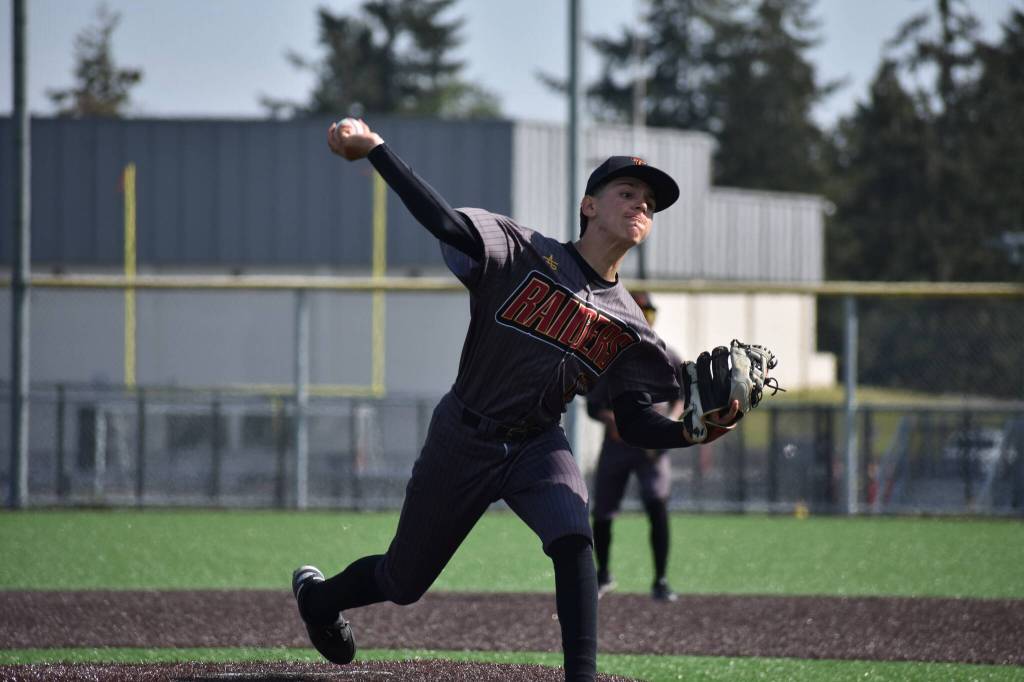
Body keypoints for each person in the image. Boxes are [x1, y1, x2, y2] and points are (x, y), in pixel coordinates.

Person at [291, 118, 740, 682]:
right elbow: (446, 222)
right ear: (589, 205)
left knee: (575, 535)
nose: (641, 205)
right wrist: (378, 151)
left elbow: (633, 419)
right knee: (403, 583)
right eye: (627, 193)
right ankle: (319, 600)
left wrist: (691, 432)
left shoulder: (631, 325)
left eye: (650, 202)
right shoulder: (523, 250)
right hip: (464, 433)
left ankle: (582, 676)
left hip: (536, 442)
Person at [586, 292, 684, 603]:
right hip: (618, 445)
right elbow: (593, 406)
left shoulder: (666, 354)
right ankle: (603, 575)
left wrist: (670, 422)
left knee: (657, 505)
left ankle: (661, 579)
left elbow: (682, 396)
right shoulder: (609, 355)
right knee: (603, 511)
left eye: (650, 313)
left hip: (651, 446)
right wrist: (613, 420)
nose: (646, 319)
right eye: (642, 312)